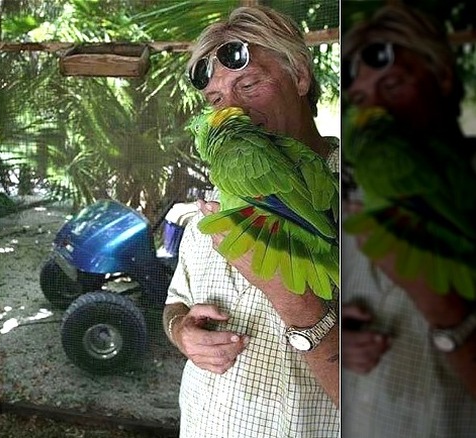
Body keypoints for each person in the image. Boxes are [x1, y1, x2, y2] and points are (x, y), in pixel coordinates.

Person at [163, 6, 339, 437]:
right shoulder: (215, 200)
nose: (234, 111)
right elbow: (175, 302)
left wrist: (294, 301)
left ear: (299, 75)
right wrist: (181, 331)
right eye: (217, 100)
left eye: (250, 84)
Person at [341, 4, 476, 437]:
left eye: (394, 84)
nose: (376, 110)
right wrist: (337, 340)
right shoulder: (343, 201)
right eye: (359, 100)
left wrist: (443, 306)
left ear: (442, 78)